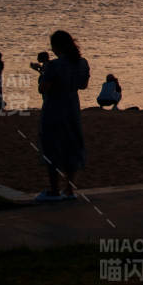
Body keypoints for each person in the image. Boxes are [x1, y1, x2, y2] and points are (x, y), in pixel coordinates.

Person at [37, 30, 90, 201]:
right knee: (72, 146)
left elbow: (43, 88)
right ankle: (69, 189)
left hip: (54, 108)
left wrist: (44, 75)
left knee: (53, 147)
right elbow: (83, 85)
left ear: (57, 47)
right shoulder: (82, 63)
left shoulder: (54, 66)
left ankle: (54, 190)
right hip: (72, 108)